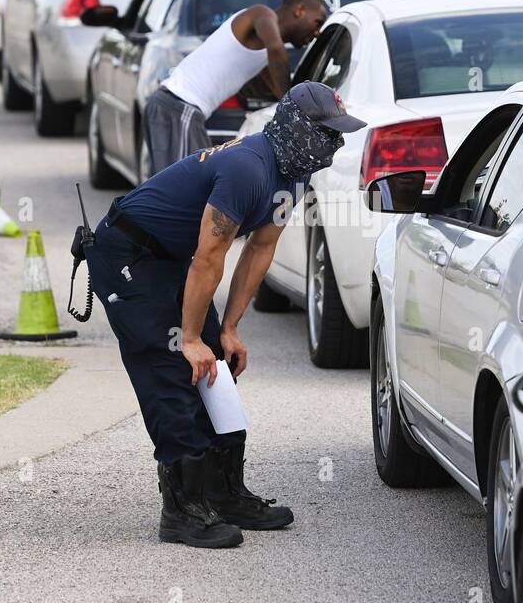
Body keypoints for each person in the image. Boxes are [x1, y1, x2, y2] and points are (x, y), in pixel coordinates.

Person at [86, 81, 365, 549]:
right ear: (297, 127)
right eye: (326, 131)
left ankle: (224, 493)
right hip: (130, 254)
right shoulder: (247, 168)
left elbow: (260, 249)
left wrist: (229, 329)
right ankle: (183, 510)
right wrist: (191, 337)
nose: (334, 143)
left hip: (173, 258)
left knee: (217, 365)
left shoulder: (292, 172)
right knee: (175, 365)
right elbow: (209, 257)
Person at [143, 0, 328, 177]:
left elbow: (270, 86)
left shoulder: (262, 53)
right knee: (188, 188)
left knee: (170, 191)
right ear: (300, 10)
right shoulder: (261, 14)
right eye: (318, 22)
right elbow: (276, 50)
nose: (317, 32)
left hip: (174, 107)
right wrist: (293, 109)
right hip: (179, 106)